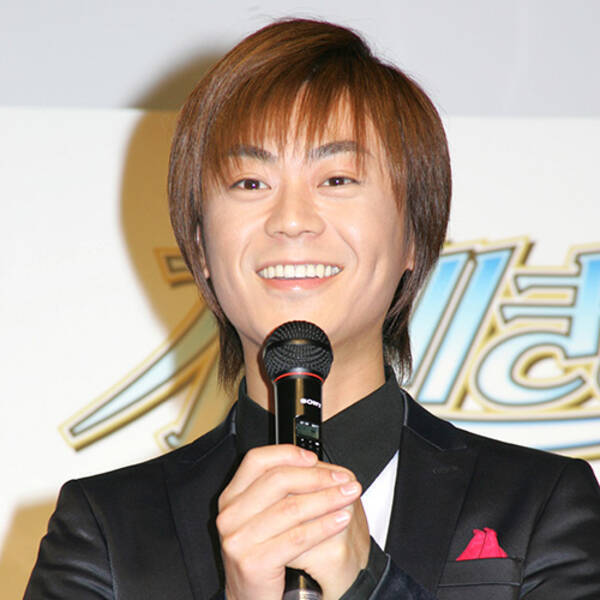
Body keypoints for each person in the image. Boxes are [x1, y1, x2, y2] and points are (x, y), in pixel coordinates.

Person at [26, 18, 600, 600]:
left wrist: (368, 584)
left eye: (337, 178)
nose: (292, 220)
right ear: (200, 247)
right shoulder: (105, 529)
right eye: (250, 183)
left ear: (413, 236)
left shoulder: (540, 504)